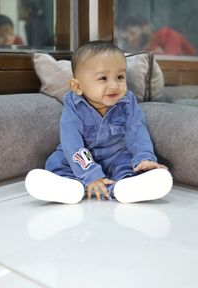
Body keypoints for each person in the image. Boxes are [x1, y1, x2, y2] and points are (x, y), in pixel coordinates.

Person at [25, 41, 173, 204]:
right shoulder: (74, 105)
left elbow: (136, 131)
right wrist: (90, 174)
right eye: (103, 78)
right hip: (80, 157)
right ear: (77, 86)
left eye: (120, 77)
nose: (114, 85)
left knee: (128, 164)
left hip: (115, 155)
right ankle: (72, 187)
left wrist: (144, 157)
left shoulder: (127, 101)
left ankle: (122, 188)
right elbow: (71, 142)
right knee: (56, 161)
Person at [116, 16, 196, 56]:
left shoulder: (166, 34)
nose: (130, 39)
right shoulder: (143, 49)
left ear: (145, 28)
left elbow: (174, 62)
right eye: (127, 38)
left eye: (132, 33)